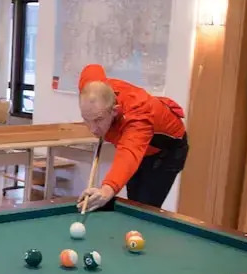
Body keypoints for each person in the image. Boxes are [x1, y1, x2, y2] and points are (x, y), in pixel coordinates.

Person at [76, 64, 189, 211]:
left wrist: (106, 190)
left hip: (167, 151)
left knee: (143, 206)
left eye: (98, 119)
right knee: (133, 198)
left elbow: (128, 153)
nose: (92, 129)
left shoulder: (138, 116)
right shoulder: (92, 88)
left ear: (114, 111)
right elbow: (93, 69)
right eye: (87, 120)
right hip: (139, 146)